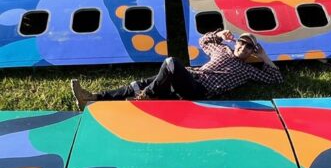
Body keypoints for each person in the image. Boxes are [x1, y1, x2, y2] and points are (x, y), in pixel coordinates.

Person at [71, 30, 283, 110]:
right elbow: (204, 40)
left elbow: (276, 78)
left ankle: (149, 96)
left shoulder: (247, 69)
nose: (243, 48)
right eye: (242, 43)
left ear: (251, 51)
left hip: (198, 90)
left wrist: (264, 56)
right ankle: (92, 98)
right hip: (187, 77)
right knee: (137, 84)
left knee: (171, 62)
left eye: (248, 47)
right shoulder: (223, 50)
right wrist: (221, 35)